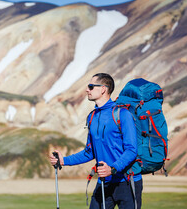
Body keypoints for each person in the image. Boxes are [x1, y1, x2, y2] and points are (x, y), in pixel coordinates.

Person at [50, 73, 142, 209]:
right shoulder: (92, 117)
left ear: (103, 89)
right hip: (104, 182)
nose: (87, 89)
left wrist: (113, 169)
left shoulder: (122, 114)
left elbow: (131, 150)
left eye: (91, 86)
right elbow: (89, 152)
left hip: (127, 182)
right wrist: (64, 161)